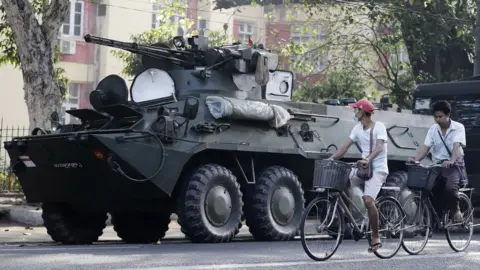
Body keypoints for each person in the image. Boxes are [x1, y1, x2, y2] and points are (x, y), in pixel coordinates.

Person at [327, 98, 389, 253]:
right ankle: (350, 221)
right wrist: (331, 159)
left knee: (368, 200)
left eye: (355, 110)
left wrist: (367, 159)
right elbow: (344, 148)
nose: (354, 112)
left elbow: (380, 146)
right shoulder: (357, 129)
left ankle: (375, 236)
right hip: (362, 168)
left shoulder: (379, 126)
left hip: (378, 168)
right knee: (340, 184)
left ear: (362, 111)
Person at [407, 100, 466, 223]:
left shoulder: (458, 127)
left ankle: (456, 210)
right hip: (438, 164)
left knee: (450, 189)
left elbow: (456, 146)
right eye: (436, 117)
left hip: (454, 164)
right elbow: (425, 148)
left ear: (448, 115)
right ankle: (434, 218)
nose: (438, 119)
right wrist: (415, 160)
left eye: (440, 116)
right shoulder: (433, 130)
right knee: (427, 188)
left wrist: (451, 160)